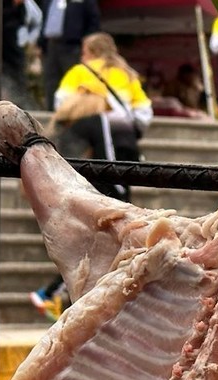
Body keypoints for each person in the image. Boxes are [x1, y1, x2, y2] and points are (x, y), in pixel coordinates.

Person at [31, 32, 153, 319]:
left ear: (88, 51)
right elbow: (143, 114)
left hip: (93, 157)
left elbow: (61, 102)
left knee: (103, 234)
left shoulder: (78, 73)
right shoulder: (127, 74)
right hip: (121, 158)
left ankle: (57, 294)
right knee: (110, 234)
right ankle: (54, 293)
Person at [39, 0, 100, 111]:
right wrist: (41, 44)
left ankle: (72, 114)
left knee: (74, 81)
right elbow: (44, 19)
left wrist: (86, 46)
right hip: (51, 45)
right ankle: (52, 114)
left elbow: (93, 22)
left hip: (73, 46)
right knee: (51, 83)